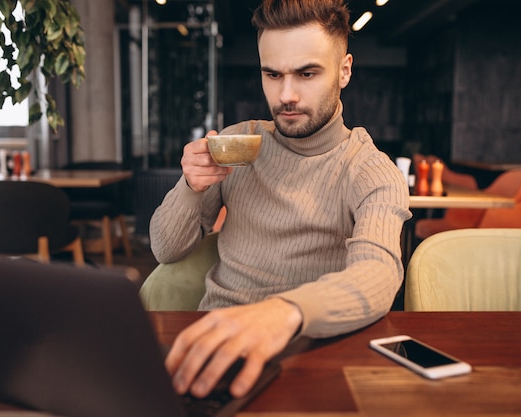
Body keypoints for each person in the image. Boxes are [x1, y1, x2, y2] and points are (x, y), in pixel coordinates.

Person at [149, 0, 411, 401]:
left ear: (344, 71)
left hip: (310, 357)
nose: (285, 95)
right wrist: (190, 186)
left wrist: (282, 312)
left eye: (307, 73)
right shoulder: (239, 144)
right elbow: (166, 249)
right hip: (214, 349)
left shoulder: (370, 170)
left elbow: (378, 276)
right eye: (272, 74)